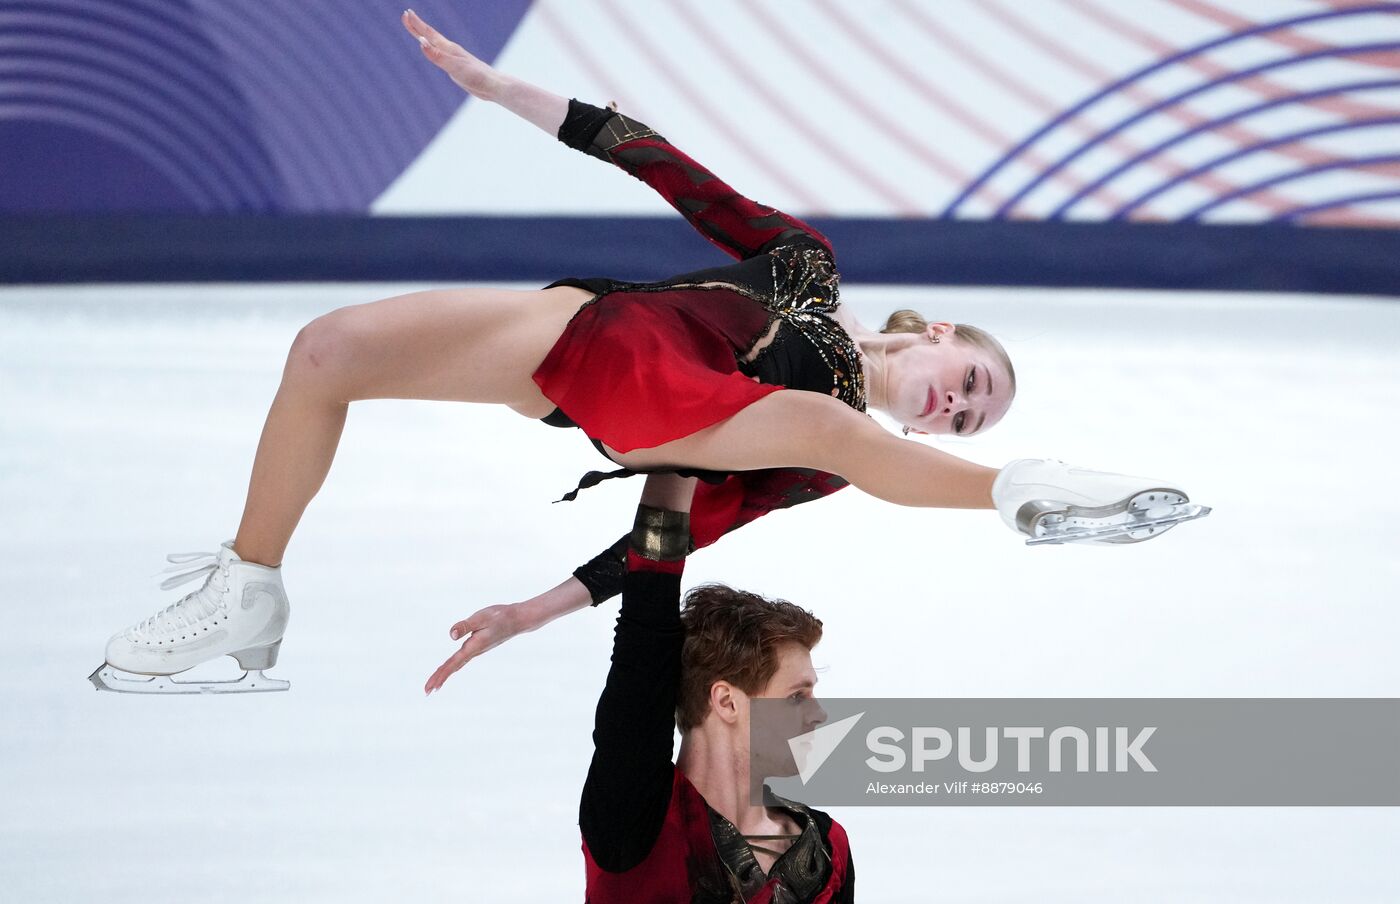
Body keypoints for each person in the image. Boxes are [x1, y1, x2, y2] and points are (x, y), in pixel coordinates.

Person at [88, 11, 1205, 694]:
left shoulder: (833, 452)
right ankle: (251, 583)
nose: (953, 401)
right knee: (324, 350)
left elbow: (679, 525)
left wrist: (542, 605)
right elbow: (669, 168)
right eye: (971, 386)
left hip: (692, 409)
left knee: (821, 426)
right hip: (583, 335)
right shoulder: (807, 266)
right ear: (940, 335)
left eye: (959, 420)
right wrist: (503, 91)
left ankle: (1018, 492)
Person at [583, 474, 853, 901]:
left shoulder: (827, 847)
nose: (819, 714)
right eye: (797, 696)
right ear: (727, 701)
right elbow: (646, 621)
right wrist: (680, 455)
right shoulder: (637, 813)